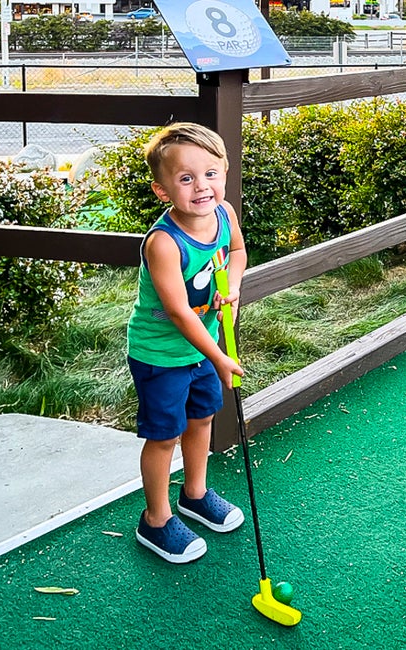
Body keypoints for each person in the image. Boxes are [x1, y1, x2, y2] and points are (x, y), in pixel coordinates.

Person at [127, 122, 247, 563]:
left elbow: (236, 253)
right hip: (161, 354)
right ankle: (155, 520)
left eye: (211, 174)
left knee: (202, 418)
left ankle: (194, 495)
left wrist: (230, 287)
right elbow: (178, 312)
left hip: (203, 347)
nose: (202, 187)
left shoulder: (224, 214)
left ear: (225, 172)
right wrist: (219, 357)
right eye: (186, 178)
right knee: (164, 436)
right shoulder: (163, 243)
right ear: (163, 190)